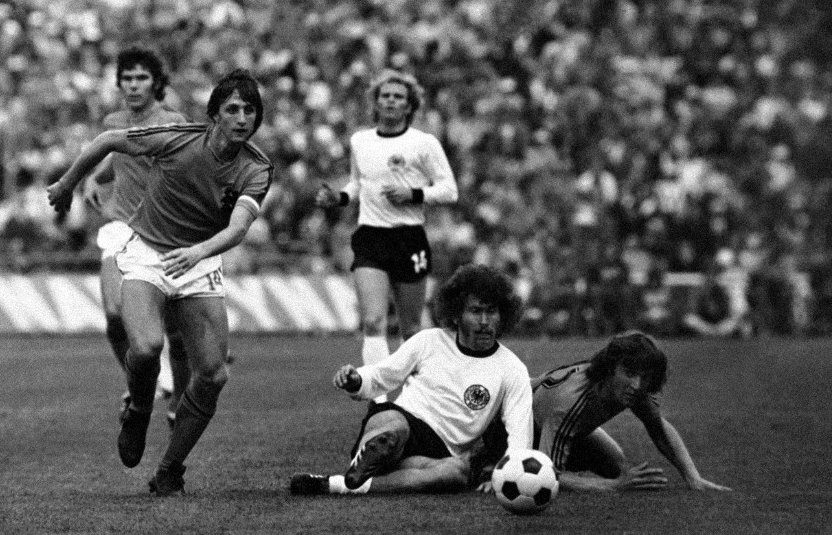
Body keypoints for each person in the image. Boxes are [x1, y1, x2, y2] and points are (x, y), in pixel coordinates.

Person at [48, 68, 273, 496]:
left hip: (198, 261)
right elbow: (108, 140)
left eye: (250, 110)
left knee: (213, 376)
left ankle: (170, 468)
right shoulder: (177, 138)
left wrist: (199, 252)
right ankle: (138, 410)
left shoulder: (257, 167)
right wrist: (66, 183)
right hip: (148, 254)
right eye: (232, 109)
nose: (243, 118)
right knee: (147, 347)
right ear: (215, 114)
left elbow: (239, 227)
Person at [290, 264, 533, 495]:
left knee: (456, 472)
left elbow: (520, 434)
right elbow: (381, 376)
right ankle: (372, 454)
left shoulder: (512, 369)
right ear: (456, 314)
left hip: (437, 455)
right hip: (404, 421)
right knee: (392, 426)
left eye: (491, 312)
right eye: (476, 311)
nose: (484, 322)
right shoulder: (429, 341)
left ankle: (340, 484)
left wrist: (505, 475)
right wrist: (355, 380)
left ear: (503, 315)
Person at [316, 69, 458, 402]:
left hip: (409, 238)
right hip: (370, 236)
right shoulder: (360, 141)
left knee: (411, 328)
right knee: (373, 321)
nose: (391, 101)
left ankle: (417, 398)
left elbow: (449, 190)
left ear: (410, 106)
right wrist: (339, 198)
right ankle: (377, 400)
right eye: (385, 96)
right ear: (376, 102)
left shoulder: (423, 143)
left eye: (398, 97)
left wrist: (414, 194)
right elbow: (357, 183)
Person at [81, 46, 189, 424]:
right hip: (120, 228)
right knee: (114, 316)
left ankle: (179, 398)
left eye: (141, 77)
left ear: (156, 83)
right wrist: (94, 178)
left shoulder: (173, 122)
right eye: (127, 78)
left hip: (162, 231)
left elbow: (186, 170)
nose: (133, 84)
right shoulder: (113, 121)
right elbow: (118, 157)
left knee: (174, 331)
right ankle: (145, 382)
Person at [493, 330, 731, 492]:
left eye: (645, 377)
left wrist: (693, 477)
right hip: (507, 425)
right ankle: (491, 463)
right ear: (609, 369)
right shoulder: (568, 403)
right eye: (630, 373)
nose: (637, 385)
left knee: (616, 464)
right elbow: (550, 474)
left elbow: (658, 428)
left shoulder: (632, 387)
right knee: (535, 476)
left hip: (559, 421)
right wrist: (614, 486)